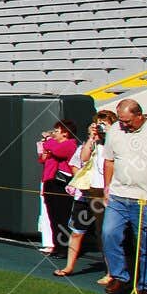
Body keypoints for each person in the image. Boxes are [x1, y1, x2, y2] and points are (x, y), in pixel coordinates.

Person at [100, 98, 147, 294]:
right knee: (109, 234)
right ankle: (120, 276)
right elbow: (109, 161)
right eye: (121, 120)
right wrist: (107, 187)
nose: (124, 125)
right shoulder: (115, 130)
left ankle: (146, 286)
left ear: (139, 115)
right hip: (119, 196)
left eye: (127, 121)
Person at [55, 110, 116, 278]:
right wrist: (92, 138)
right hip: (85, 191)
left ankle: (111, 272)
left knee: (103, 234)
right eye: (99, 124)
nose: (101, 128)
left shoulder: (115, 144)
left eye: (105, 124)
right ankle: (69, 266)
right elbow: (82, 158)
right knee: (76, 231)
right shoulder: (93, 143)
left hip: (102, 193)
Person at [37, 120, 78, 256]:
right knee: (53, 217)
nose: (54, 134)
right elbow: (43, 157)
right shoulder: (56, 144)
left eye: (57, 131)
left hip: (61, 184)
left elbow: (56, 150)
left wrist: (48, 140)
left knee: (62, 216)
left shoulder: (69, 144)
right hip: (49, 181)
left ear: (65, 133)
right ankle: (57, 245)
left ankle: (64, 247)